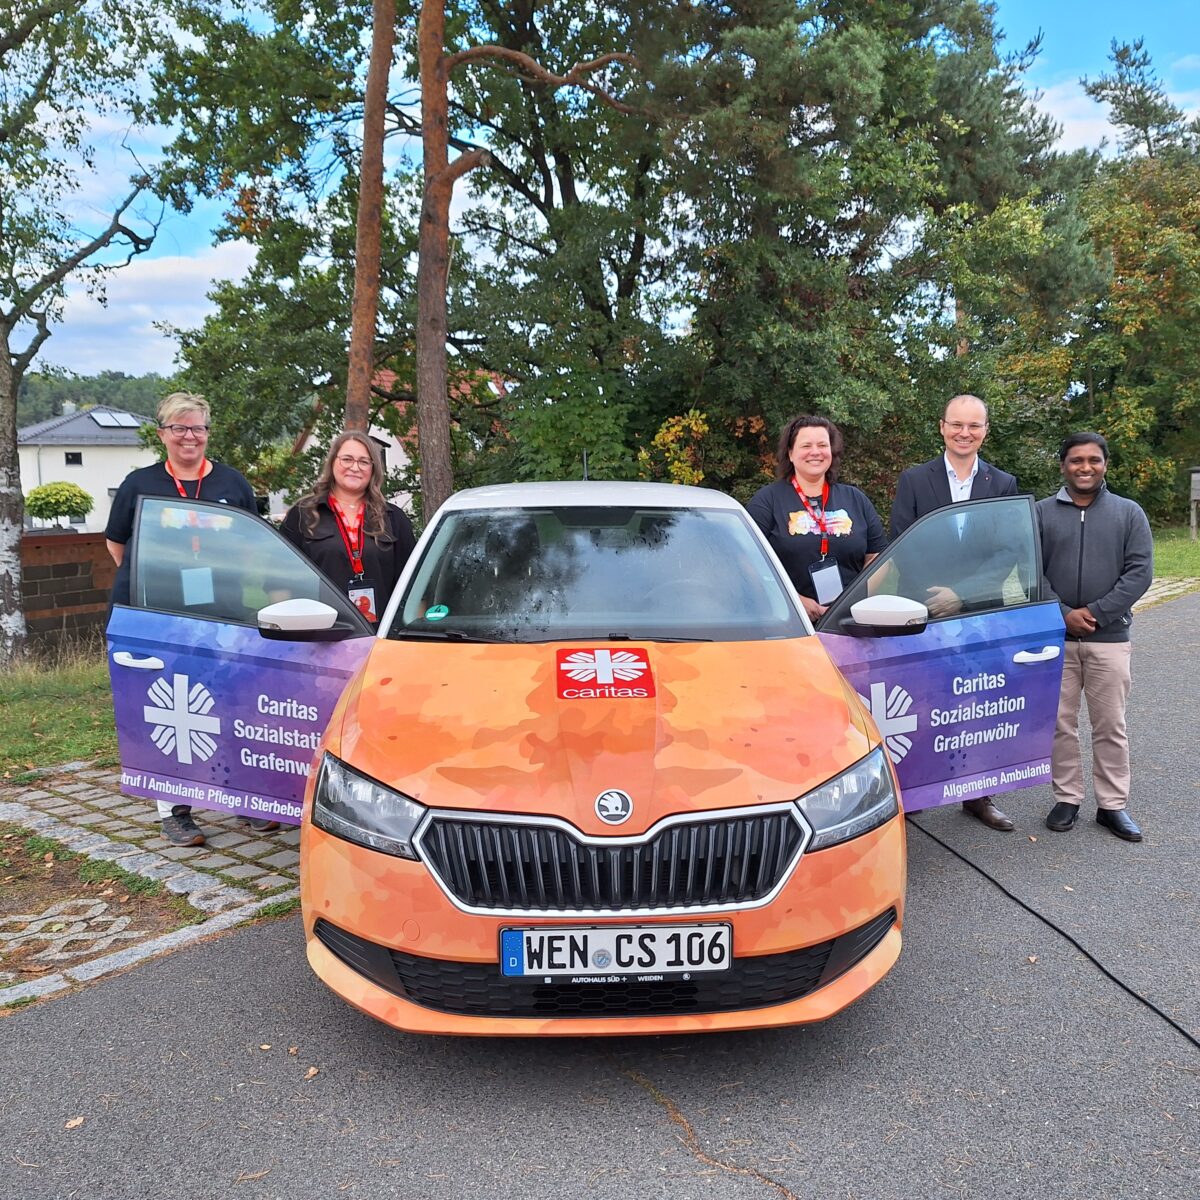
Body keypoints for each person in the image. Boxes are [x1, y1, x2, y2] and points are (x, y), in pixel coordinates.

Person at [105, 392, 278, 844]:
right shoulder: (138, 484)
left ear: (207, 433)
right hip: (159, 615)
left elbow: (249, 543)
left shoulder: (232, 483)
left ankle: (242, 798)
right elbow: (118, 546)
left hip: (222, 612)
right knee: (166, 704)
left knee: (228, 700)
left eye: (197, 427)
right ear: (162, 433)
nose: (189, 436)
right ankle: (174, 810)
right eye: (179, 427)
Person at [889, 394, 1019, 832]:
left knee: (979, 703)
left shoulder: (1002, 484)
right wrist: (937, 596)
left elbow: (1008, 551)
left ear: (985, 430)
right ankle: (919, 791)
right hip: (924, 608)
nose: (965, 433)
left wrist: (961, 594)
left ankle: (977, 795)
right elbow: (903, 543)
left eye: (974, 425)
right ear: (942, 426)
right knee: (926, 701)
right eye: (957, 424)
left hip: (979, 611)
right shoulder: (913, 480)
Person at [1038, 433, 1153, 842]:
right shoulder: (1040, 514)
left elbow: (1140, 571)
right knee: (1058, 723)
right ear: (1063, 465)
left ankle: (1112, 806)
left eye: (1093, 460)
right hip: (1056, 637)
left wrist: (1098, 612)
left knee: (1110, 725)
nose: (1084, 467)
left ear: (1105, 464)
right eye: (1075, 460)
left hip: (1110, 637)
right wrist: (1064, 613)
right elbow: (1031, 573)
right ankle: (1067, 797)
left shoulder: (1128, 513)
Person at [746, 415, 886, 621]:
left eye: (822, 445)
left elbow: (878, 558)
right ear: (791, 453)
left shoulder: (855, 498)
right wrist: (792, 601)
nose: (815, 452)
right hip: (788, 621)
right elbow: (747, 561)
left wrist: (851, 601)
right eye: (806, 445)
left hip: (848, 622)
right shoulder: (767, 501)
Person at [280, 432, 417, 627]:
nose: (355, 467)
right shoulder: (302, 515)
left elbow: (413, 587)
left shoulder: (393, 518)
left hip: (379, 638)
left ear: (373, 468)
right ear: (332, 462)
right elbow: (281, 580)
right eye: (347, 459)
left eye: (364, 462)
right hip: (318, 637)